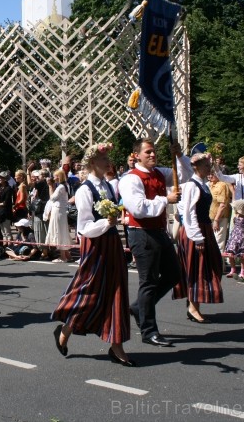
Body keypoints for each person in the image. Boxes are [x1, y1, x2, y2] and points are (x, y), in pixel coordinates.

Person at [52, 142, 134, 366]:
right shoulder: (84, 190)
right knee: (89, 290)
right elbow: (84, 227)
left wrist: (113, 223)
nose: (108, 162)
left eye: (108, 159)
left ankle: (116, 343)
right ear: (91, 163)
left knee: (117, 290)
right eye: (103, 159)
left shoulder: (108, 186)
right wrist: (105, 224)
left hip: (112, 243)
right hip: (96, 245)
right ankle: (66, 328)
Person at [118, 138, 192, 347]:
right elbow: (138, 208)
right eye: (148, 152)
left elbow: (185, 175)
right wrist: (165, 200)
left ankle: (138, 308)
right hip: (141, 232)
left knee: (173, 274)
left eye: (154, 152)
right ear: (137, 155)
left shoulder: (160, 173)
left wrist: (179, 155)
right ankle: (149, 330)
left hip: (159, 231)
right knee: (148, 281)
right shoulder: (130, 179)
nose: (152, 155)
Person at [173, 153, 224, 323]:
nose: (209, 169)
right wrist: (197, 237)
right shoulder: (191, 186)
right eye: (206, 166)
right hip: (195, 231)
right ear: (197, 167)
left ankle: (193, 303)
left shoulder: (202, 184)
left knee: (209, 265)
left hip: (205, 228)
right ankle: (193, 307)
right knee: (197, 268)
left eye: (209, 166)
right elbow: (188, 213)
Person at [45, 169, 72, 263]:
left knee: (58, 231)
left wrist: (50, 186)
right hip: (61, 210)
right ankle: (67, 255)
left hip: (58, 210)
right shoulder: (64, 185)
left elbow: (52, 198)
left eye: (55, 176)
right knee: (62, 231)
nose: (54, 177)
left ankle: (63, 256)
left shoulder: (60, 187)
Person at [225, 200, 244, 279]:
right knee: (230, 252)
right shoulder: (235, 216)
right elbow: (234, 226)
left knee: (242, 255)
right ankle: (232, 269)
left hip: (242, 238)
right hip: (234, 237)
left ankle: (242, 271)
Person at [208, 170, 232, 253]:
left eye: (212, 174)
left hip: (220, 218)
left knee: (218, 242)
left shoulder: (222, 185)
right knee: (211, 242)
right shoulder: (210, 184)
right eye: (209, 174)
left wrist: (216, 220)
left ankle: (219, 264)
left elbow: (223, 204)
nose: (210, 176)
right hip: (210, 216)